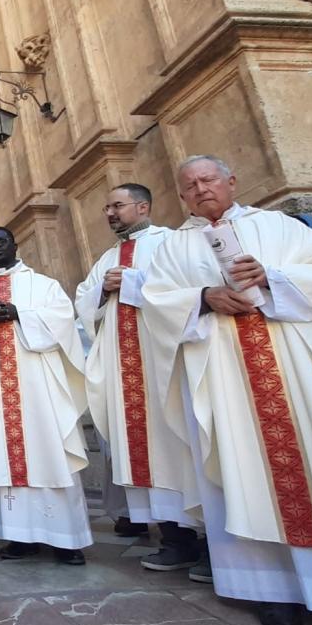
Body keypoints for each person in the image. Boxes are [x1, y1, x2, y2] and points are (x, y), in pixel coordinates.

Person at [140, 155, 312, 625]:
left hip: (298, 377)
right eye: (189, 185)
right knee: (246, 475)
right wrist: (203, 297)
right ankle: (276, 592)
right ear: (181, 196)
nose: (201, 190)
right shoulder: (173, 247)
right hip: (227, 383)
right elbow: (155, 304)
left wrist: (273, 277)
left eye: (208, 180)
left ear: (231, 181)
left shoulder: (280, 227)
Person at [75, 184, 201, 571]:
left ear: (143, 206)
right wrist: (101, 289)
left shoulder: (174, 244)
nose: (110, 213)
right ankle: (174, 539)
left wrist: (127, 284)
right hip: (125, 369)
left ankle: (208, 541)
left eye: (117, 205)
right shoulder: (108, 256)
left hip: (163, 366)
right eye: (106, 207)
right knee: (142, 449)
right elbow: (82, 299)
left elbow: (186, 291)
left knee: (180, 446)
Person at [0, 226, 93, 565]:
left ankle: (66, 539)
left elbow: (63, 319)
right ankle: (19, 538)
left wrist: (20, 314)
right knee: (3, 455)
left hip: (38, 389)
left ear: (15, 245)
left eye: (0, 241)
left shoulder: (43, 284)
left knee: (50, 451)